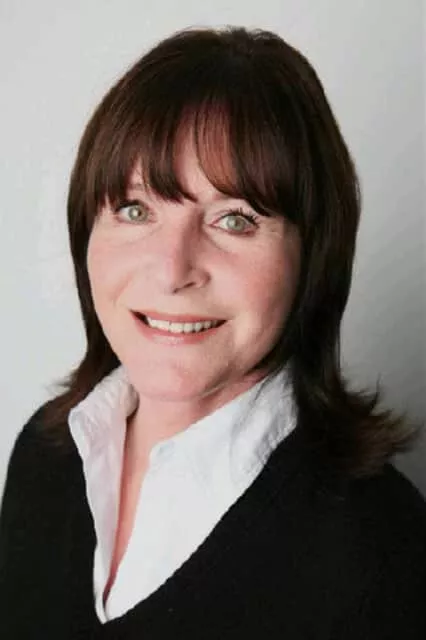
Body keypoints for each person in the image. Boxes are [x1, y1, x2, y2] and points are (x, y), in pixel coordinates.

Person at [0, 25, 425, 640]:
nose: (172, 270)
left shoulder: (385, 555)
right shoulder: (43, 458)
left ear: (313, 258)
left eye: (234, 220)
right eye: (136, 209)